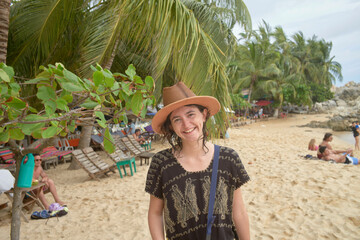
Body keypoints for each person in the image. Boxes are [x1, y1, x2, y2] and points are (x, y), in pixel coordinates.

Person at [145, 82, 250, 240]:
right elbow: (155, 213)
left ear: (204, 114)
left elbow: (239, 212)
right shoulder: (161, 163)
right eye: (177, 119)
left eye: (191, 114)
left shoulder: (229, 158)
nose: (186, 124)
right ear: (172, 126)